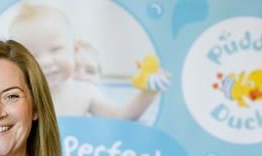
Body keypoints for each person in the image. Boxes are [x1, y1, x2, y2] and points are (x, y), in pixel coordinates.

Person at [9, 3, 167, 119]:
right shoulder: (19, 98)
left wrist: (148, 93)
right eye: (32, 55)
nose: (45, 62)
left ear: (74, 50)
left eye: (55, 49)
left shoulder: (84, 93)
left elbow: (120, 118)